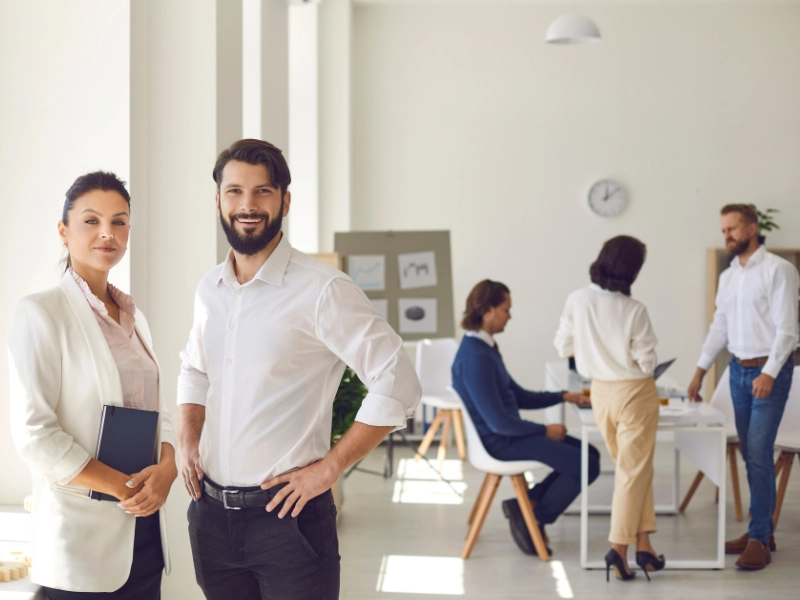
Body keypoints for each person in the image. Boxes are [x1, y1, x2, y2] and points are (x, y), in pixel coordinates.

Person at [177, 139, 421, 600]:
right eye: (234, 192)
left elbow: (398, 379)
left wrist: (330, 468)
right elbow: (194, 370)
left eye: (262, 192)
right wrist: (189, 440)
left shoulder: (323, 289)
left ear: (285, 201)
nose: (247, 205)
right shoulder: (210, 287)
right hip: (209, 517)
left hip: (288, 521)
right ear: (218, 201)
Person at [8, 172, 178, 599]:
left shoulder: (134, 319)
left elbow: (160, 412)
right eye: (91, 220)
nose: (108, 233)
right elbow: (35, 435)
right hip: (81, 542)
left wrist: (168, 467)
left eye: (120, 222)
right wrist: (123, 487)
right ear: (63, 231)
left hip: (145, 535)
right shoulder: (41, 313)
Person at [451, 279, 599, 557]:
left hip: (508, 434)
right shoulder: (475, 358)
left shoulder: (485, 349)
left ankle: (528, 503)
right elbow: (498, 422)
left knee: (590, 454)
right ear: (488, 310)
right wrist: (544, 431)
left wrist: (563, 396)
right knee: (585, 465)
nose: (510, 315)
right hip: (500, 442)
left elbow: (516, 395)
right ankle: (536, 516)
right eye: (506, 309)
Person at [687, 204, 799, 571]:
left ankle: (758, 539)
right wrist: (701, 370)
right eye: (723, 231)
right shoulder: (730, 275)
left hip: (769, 374)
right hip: (736, 373)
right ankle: (761, 532)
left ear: (752, 228)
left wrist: (769, 372)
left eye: (733, 229)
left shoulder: (779, 270)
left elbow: (788, 330)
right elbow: (720, 325)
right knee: (753, 455)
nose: (727, 236)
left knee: (758, 452)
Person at [554, 235, 665, 582]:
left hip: (599, 394)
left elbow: (563, 346)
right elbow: (647, 363)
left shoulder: (577, 299)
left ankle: (644, 546)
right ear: (632, 269)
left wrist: (595, 353)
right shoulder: (634, 310)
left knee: (634, 470)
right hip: (635, 393)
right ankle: (618, 549)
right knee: (633, 472)